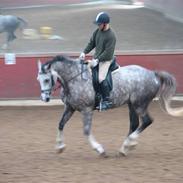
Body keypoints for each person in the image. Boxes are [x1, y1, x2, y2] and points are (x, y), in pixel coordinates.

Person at [79, 12, 116, 111]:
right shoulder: (97, 32)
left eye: (99, 24)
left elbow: (108, 52)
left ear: (105, 24)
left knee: (100, 78)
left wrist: (98, 60)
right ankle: (95, 97)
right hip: (97, 58)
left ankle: (106, 101)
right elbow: (91, 43)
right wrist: (84, 52)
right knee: (86, 72)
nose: (98, 25)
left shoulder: (111, 35)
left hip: (106, 59)